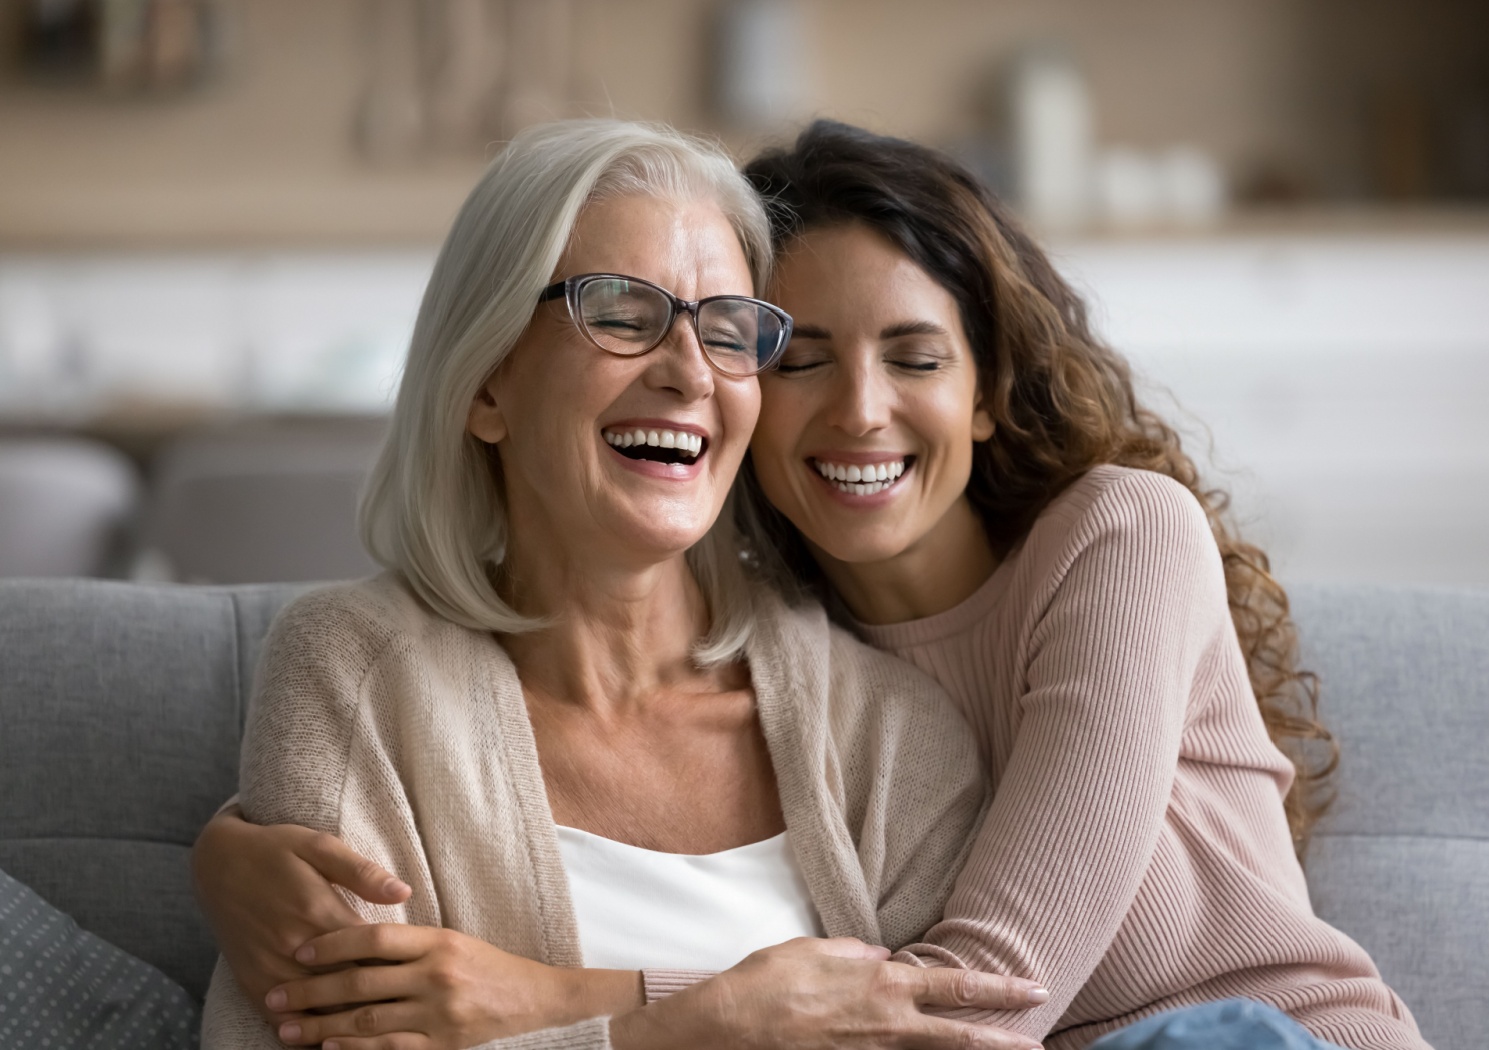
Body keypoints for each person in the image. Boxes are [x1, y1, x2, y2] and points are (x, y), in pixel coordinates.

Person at [196, 119, 1432, 1050]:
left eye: (914, 356)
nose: (857, 411)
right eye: (621, 311)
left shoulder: (1097, 555)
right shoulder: (825, 641)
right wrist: (221, 848)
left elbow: (974, 1005)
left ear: (990, 390)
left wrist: (581, 1006)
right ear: (481, 381)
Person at [197, 117, 1050, 1050]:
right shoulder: (357, 675)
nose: (689, 373)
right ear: (486, 383)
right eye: (618, 313)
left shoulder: (886, 732)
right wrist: (694, 1028)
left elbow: (964, 1036)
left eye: (730, 331)